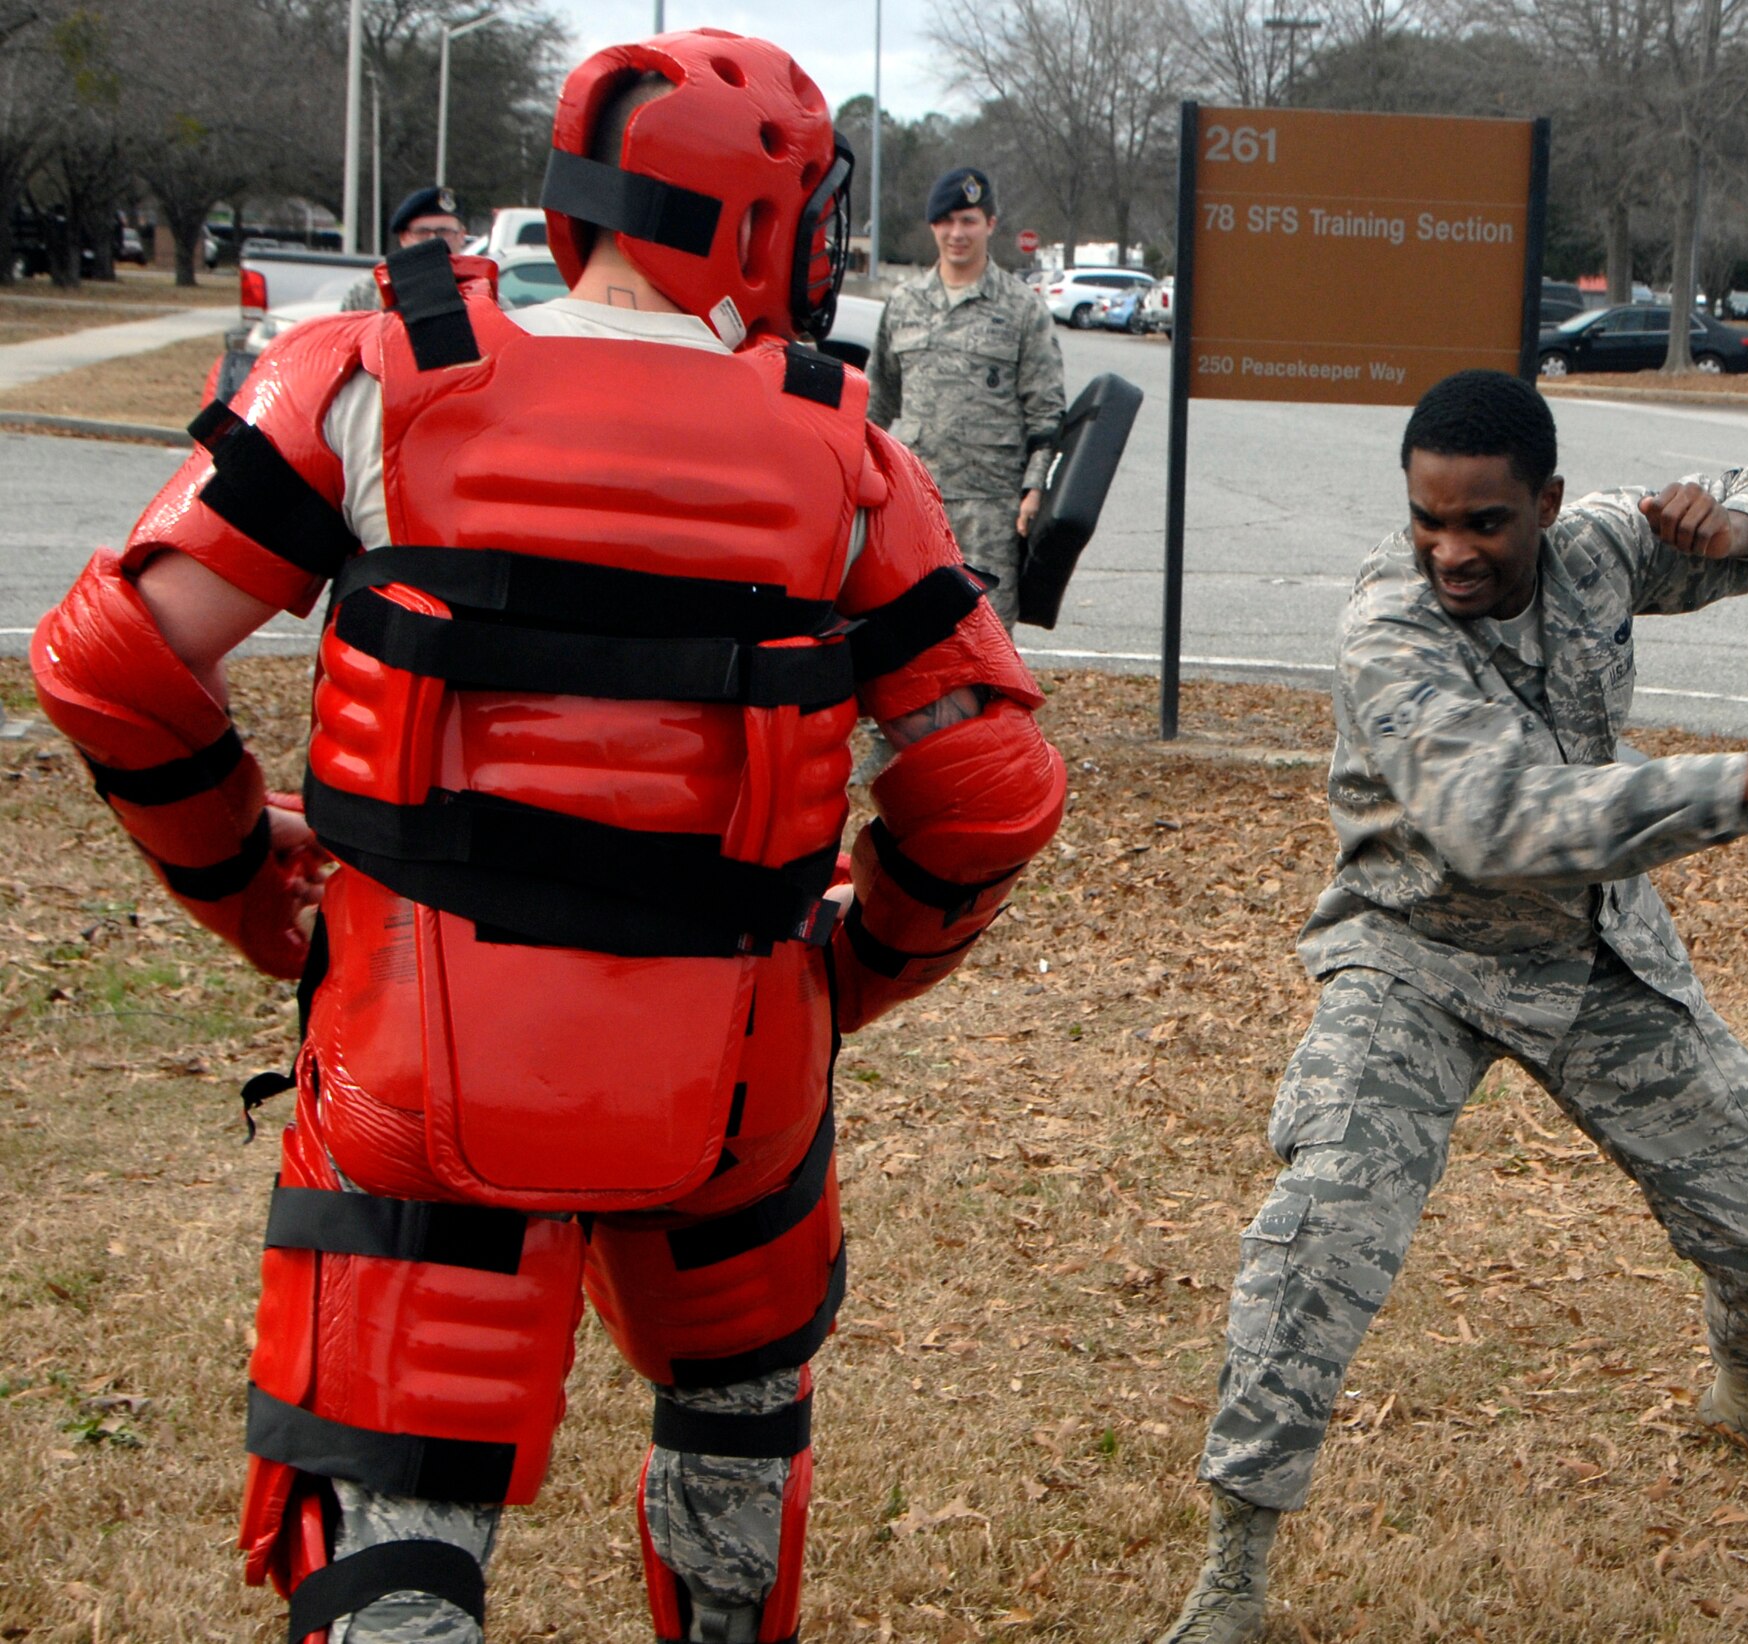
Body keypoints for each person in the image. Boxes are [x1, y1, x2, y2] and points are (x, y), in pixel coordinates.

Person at [32, 29, 1065, 1644]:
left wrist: (254, 886)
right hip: (737, 1069)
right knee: (735, 1436)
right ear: (757, 218)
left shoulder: (369, 379)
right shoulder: (846, 452)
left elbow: (110, 656)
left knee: (393, 1524)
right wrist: (845, 973)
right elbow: (990, 787)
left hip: (415, 1051)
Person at [1152, 370, 1748, 1644]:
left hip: (1598, 960)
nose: (1450, 551)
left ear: (1545, 505)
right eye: (1425, 520)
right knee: (1317, 1239)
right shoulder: (1389, 628)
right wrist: (1732, 780)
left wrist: (1730, 526)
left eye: (1484, 524)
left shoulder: (1600, 549)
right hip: (1416, 961)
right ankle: (1232, 1571)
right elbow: (1497, 821)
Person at [866, 166, 1066, 631]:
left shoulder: (1021, 308)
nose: (958, 233)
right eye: (948, 221)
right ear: (933, 225)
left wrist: (1034, 489)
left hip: (990, 510)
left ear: (991, 225)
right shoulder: (904, 304)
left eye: (970, 221)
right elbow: (877, 402)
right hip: (916, 505)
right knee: (912, 639)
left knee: (986, 643)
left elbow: (1046, 410)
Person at [340, 185, 469, 310]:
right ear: (403, 238)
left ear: (462, 236)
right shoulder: (368, 291)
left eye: (444, 231)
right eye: (422, 232)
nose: (433, 240)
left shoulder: (479, 288)